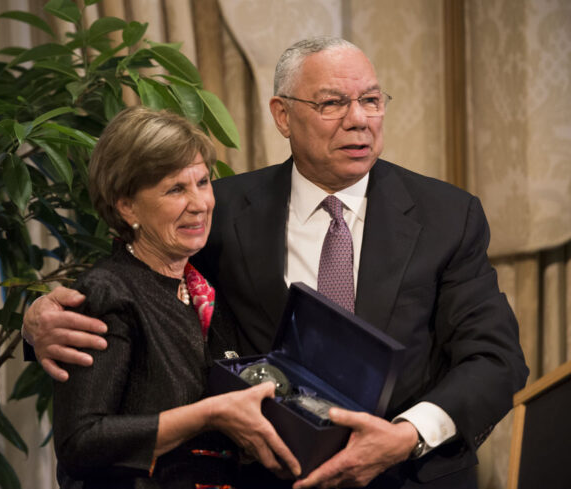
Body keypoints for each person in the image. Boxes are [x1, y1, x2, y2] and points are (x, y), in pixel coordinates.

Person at [26, 37, 528, 489]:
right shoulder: (218, 211)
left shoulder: (448, 215)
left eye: (371, 101)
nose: (359, 120)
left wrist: (407, 434)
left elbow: (496, 358)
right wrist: (37, 320)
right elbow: (133, 284)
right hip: (267, 477)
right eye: (333, 103)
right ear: (283, 115)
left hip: (409, 475)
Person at [49, 106, 300, 489]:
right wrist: (208, 415)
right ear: (126, 205)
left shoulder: (205, 289)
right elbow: (80, 442)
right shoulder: (106, 292)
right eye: (175, 189)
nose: (199, 203)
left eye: (202, 182)